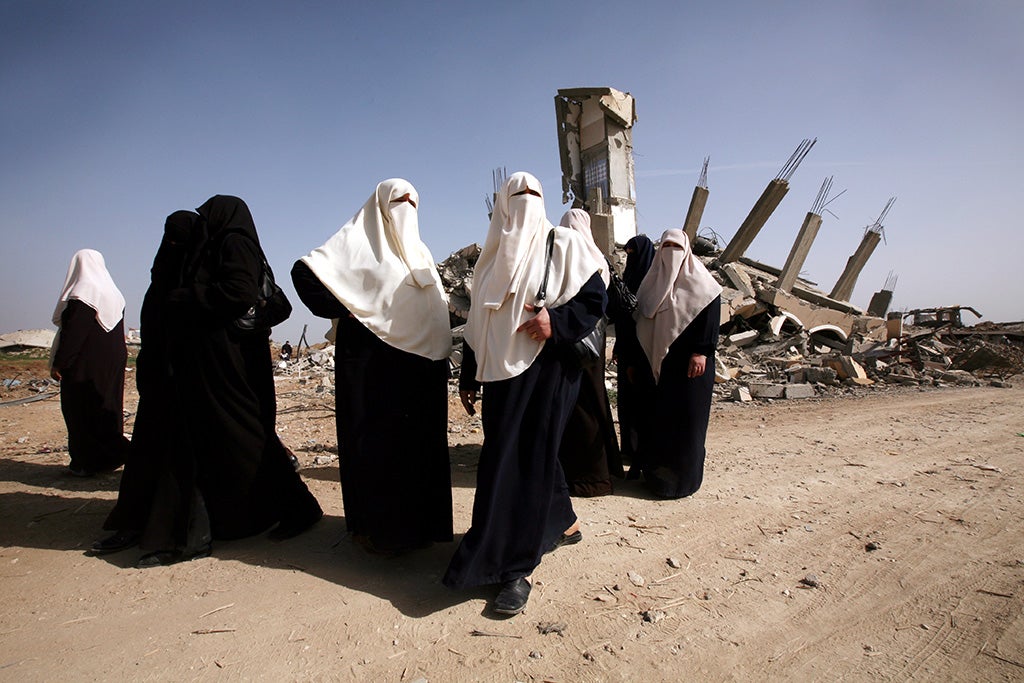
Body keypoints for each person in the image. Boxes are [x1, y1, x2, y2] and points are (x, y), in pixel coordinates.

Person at [116, 195, 321, 567]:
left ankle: (297, 508)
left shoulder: (234, 243)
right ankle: (244, 515)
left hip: (233, 361)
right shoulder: (217, 246)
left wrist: (188, 297)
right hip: (214, 361)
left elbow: (237, 292)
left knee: (247, 433)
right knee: (231, 437)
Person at [443, 172, 605, 616]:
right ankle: (561, 522)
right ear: (502, 204)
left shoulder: (565, 244)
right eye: (519, 196)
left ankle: (516, 567)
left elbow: (594, 300)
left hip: (547, 369)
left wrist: (557, 322)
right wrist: (470, 376)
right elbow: (480, 325)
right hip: (499, 376)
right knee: (521, 456)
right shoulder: (490, 261)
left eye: (535, 194)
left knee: (518, 461)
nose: (527, 203)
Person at [291, 179, 453, 555]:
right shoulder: (355, 245)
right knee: (376, 447)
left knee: (418, 450)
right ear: (379, 206)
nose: (406, 209)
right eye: (398, 201)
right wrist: (344, 308)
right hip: (372, 370)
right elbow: (304, 272)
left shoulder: (420, 252)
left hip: (419, 371)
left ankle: (422, 528)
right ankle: (377, 531)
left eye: (413, 202)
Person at [94, 211, 212, 559]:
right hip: (163, 381)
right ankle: (138, 522)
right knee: (151, 454)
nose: (174, 247)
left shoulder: (196, 284)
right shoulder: (167, 283)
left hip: (186, 382)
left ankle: (178, 531)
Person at [633, 229, 722, 499]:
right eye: (666, 246)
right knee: (657, 421)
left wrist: (701, 351)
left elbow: (710, 320)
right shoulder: (651, 283)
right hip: (657, 367)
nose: (671, 252)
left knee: (687, 423)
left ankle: (683, 481)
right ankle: (656, 479)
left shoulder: (704, 285)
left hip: (690, 366)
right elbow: (640, 321)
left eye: (677, 247)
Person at [554, 208, 622, 496]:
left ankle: (589, 477)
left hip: (573, 340)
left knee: (578, 409)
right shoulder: (600, 258)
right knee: (594, 404)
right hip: (594, 343)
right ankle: (603, 469)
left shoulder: (568, 255)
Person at [50, 249, 130, 477]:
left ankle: (88, 461)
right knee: (107, 405)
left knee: (80, 409)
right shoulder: (113, 293)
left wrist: (60, 363)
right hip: (113, 360)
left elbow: (74, 334)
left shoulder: (83, 293)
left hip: (86, 363)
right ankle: (111, 455)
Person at [607, 234, 654, 478]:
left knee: (640, 401)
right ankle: (629, 447)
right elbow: (622, 316)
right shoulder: (629, 276)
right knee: (626, 401)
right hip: (626, 348)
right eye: (627, 253)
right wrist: (618, 347)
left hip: (643, 350)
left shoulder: (653, 280)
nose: (630, 257)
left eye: (633, 252)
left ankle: (640, 451)